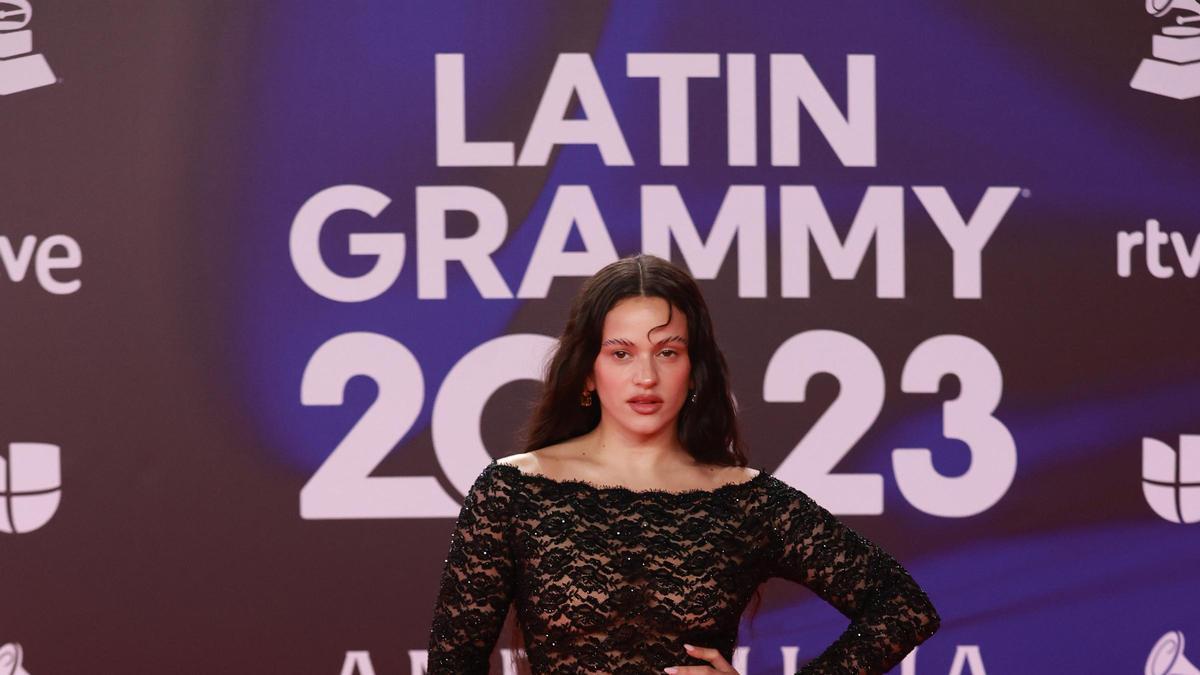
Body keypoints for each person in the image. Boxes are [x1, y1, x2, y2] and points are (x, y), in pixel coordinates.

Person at [427, 254, 940, 674]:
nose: (646, 376)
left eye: (668, 352)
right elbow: (453, 664)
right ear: (587, 372)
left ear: (694, 372)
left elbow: (902, 607)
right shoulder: (512, 490)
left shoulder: (745, 500)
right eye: (621, 353)